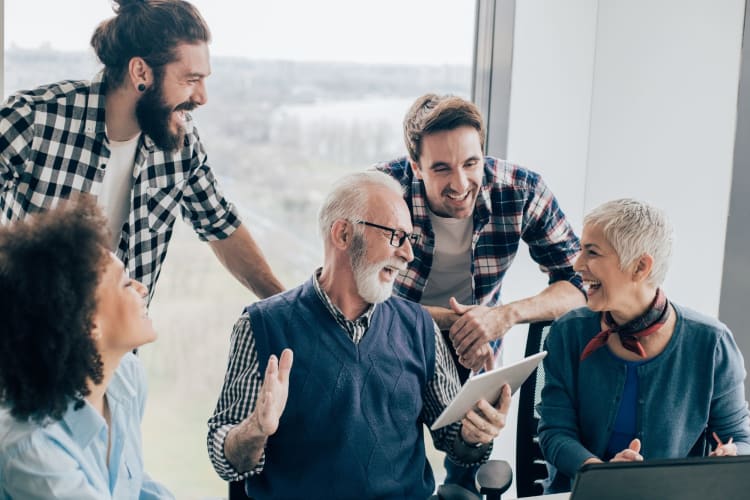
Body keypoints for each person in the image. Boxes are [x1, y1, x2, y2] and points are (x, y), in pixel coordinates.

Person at [207, 171, 511, 499]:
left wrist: (475, 433)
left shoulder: (419, 327)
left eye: (411, 239)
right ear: (343, 234)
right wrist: (256, 430)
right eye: (396, 236)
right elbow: (226, 460)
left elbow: (456, 441)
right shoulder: (261, 325)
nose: (408, 255)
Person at [0, 0, 283, 304]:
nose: (202, 97)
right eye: (191, 80)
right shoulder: (33, 119)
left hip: (118, 345)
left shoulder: (181, 142)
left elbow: (220, 225)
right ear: (141, 73)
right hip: (26, 341)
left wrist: (297, 315)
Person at [376, 93, 586, 490]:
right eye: (441, 169)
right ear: (415, 167)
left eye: (471, 163)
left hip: (478, 347)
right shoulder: (384, 192)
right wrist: (455, 322)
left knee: (467, 470)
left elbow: (580, 285)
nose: (460, 183)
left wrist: (502, 316)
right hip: (394, 342)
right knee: (391, 468)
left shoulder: (521, 189)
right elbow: (354, 295)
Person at [537, 198, 750, 493]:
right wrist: (603, 475)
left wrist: (732, 455)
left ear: (640, 267)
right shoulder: (567, 331)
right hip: (581, 493)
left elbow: (739, 438)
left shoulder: (712, 343)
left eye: (592, 252)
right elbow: (554, 433)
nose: (577, 264)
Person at [0, 196, 172, 499]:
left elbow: (131, 484)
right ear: (89, 325)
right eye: (124, 284)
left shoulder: (126, 376)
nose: (141, 288)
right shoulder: (31, 449)